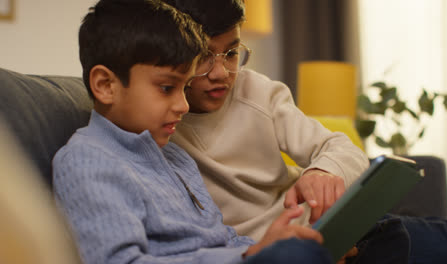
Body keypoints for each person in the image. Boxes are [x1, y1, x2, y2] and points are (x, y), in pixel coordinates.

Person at [52, 0, 337, 263]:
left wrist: (267, 243)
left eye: (184, 87)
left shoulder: (172, 155)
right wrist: (254, 253)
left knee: (367, 234)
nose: (183, 105)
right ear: (104, 85)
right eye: (167, 88)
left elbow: (223, 239)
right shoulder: (87, 161)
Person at [165, 0, 369, 241]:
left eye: (231, 54)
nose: (221, 73)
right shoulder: (159, 119)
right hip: (266, 249)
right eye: (202, 57)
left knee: (404, 231)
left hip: (322, 227)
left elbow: (345, 150)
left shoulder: (257, 91)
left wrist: (321, 171)